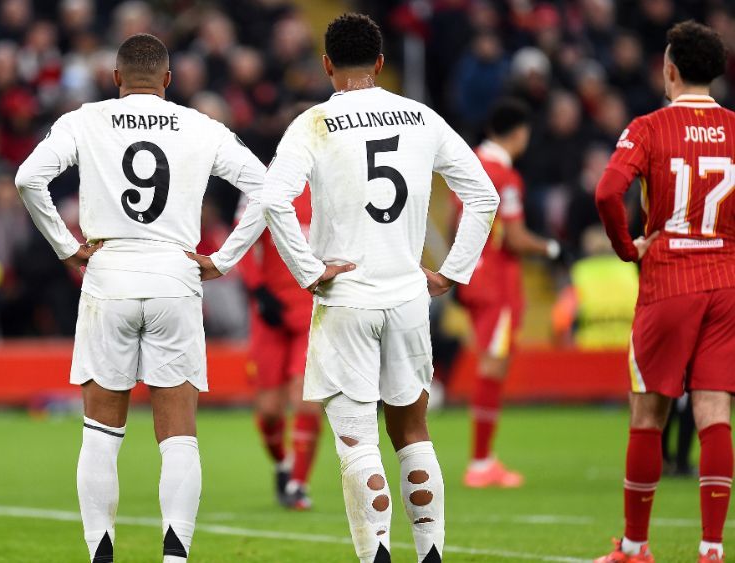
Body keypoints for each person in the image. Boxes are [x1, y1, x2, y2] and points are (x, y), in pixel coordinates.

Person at [15, 33, 343, 563]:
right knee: (178, 435)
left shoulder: (85, 119)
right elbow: (267, 189)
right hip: (176, 276)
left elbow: (28, 177)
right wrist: (226, 258)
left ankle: (102, 551)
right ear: (167, 81)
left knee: (101, 431)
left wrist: (66, 247)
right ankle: (174, 555)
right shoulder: (199, 125)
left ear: (116, 78)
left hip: (110, 275)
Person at [233, 13, 499, 563]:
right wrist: (450, 272)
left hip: (346, 297)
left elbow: (272, 199)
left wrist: (308, 270)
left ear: (327, 64)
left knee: (358, 440)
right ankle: (429, 554)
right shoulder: (420, 117)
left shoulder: (315, 122)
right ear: (381, 63)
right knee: (414, 432)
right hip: (407, 296)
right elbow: (484, 196)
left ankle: (377, 554)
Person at [594, 20, 735, 563]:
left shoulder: (649, 127)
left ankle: (634, 547)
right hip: (725, 283)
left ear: (669, 68)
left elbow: (608, 191)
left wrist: (628, 248)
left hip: (669, 279)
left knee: (648, 414)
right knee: (715, 410)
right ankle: (712, 549)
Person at [455, 98, 562, 488]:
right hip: (497, 281)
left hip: (471, 276)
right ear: (519, 134)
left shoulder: (467, 164)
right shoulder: (505, 176)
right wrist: (552, 249)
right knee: (492, 366)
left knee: (490, 361)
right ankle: (481, 463)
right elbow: (514, 238)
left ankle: (483, 459)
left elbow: (456, 221)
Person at [236, 186, 322, 510]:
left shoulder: (331, 187)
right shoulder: (265, 190)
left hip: (313, 312)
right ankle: (283, 464)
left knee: (306, 401)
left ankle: (299, 484)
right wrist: (257, 290)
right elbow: (242, 242)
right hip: (270, 316)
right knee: (270, 412)